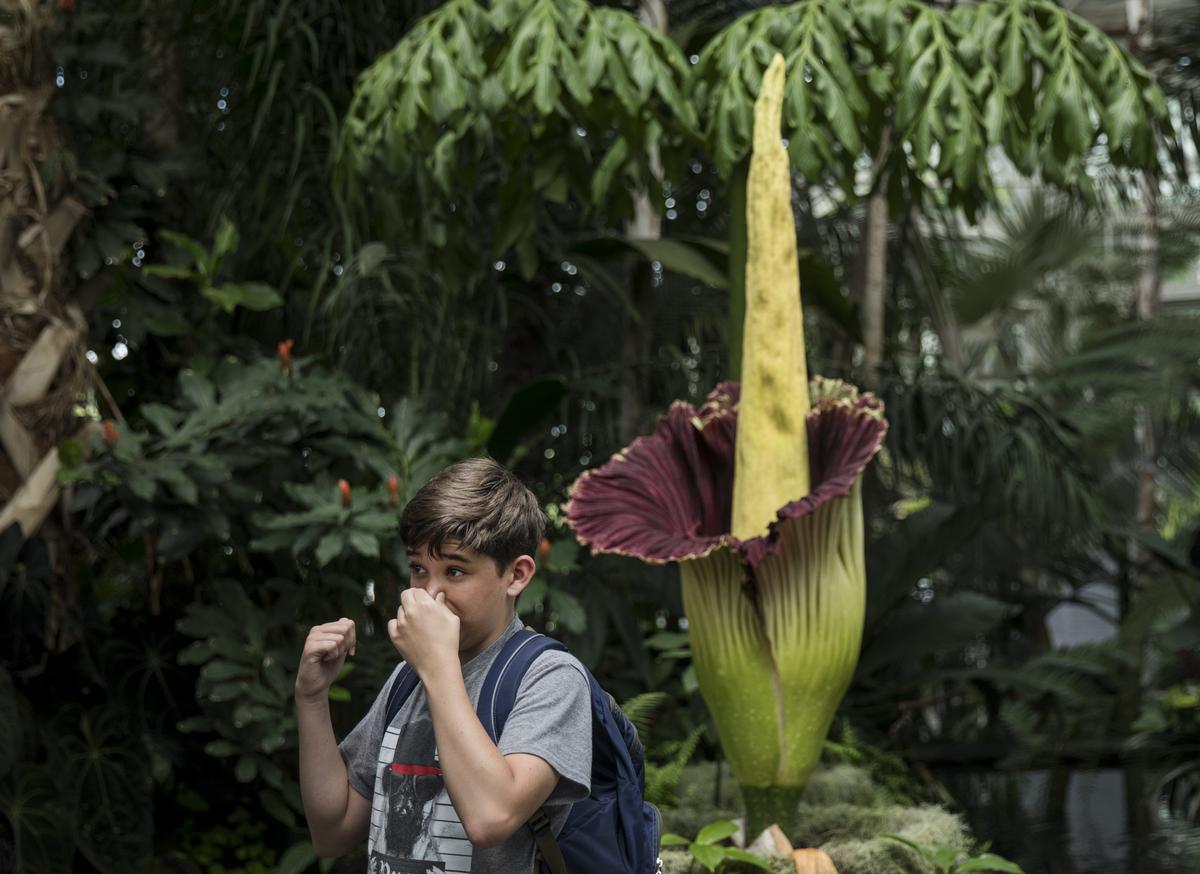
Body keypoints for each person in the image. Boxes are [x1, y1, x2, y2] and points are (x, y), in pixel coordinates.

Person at [295, 457, 593, 874]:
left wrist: (437, 666)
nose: (430, 595)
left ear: (517, 575)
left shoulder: (550, 678)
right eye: (419, 569)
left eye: (455, 571)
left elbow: (491, 818)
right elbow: (332, 832)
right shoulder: (408, 678)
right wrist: (311, 699)